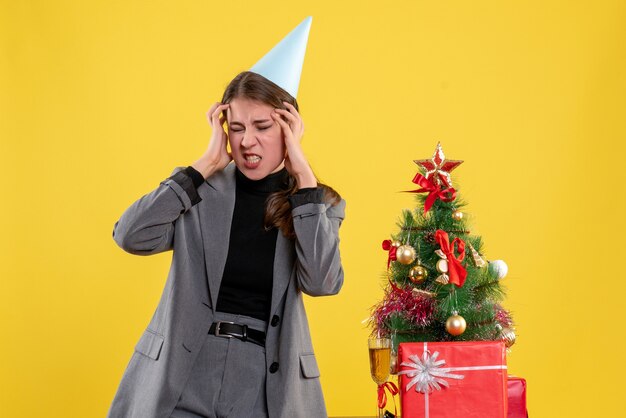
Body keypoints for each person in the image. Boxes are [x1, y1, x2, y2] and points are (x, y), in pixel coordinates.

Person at [107, 34, 346, 417]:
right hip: (184, 372)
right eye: (236, 127)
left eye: (262, 126)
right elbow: (131, 236)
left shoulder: (317, 204)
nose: (247, 141)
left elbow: (322, 282)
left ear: (289, 128)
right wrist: (203, 165)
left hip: (266, 383)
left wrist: (303, 176)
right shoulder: (197, 190)